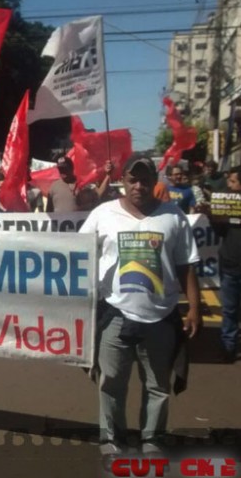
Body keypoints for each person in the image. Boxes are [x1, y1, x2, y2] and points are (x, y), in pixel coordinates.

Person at [79, 154, 201, 460]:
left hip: (161, 317)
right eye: (133, 179)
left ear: (155, 181)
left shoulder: (174, 217)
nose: (139, 185)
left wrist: (195, 308)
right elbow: (79, 256)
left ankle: (152, 440)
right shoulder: (102, 214)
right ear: (122, 180)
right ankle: (112, 438)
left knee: (158, 386)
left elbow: (187, 266)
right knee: (110, 384)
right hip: (115, 316)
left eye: (145, 179)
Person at [211, 165, 241, 364]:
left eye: (232, 181)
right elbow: (220, 232)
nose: (228, 186)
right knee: (229, 309)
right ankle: (228, 347)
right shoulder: (226, 204)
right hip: (231, 264)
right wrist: (213, 217)